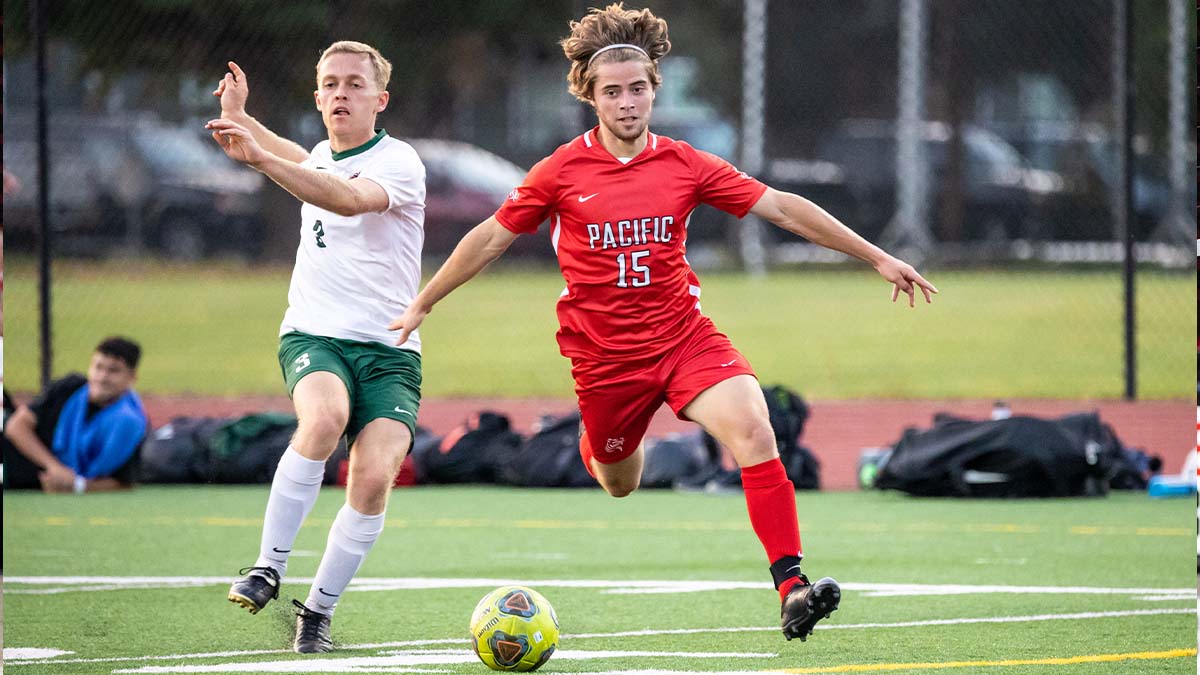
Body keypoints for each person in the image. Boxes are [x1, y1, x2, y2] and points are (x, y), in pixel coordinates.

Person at [390, 3, 938, 642]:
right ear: (590, 96)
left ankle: (790, 586)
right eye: (613, 92)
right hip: (605, 362)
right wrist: (426, 299)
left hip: (684, 339)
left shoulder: (685, 163)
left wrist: (876, 255)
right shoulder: (560, 171)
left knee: (756, 432)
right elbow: (490, 237)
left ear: (656, 90)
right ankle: (599, 446)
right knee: (619, 481)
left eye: (639, 89)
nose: (627, 103)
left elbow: (782, 208)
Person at [206, 41, 426, 654]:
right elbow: (304, 159)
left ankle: (318, 611)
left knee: (376, 475)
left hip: (390, 354)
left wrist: (258, 158)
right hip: (315, 335)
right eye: (329, 83)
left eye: (355, 84)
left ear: (380, 100)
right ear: (317, 95)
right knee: (324, 418)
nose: (340, 93)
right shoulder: (323, 154)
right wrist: (243, 118)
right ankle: (267, 567)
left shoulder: (400, 162)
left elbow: (344, 198)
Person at [3, 337, 146, 493]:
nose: (102, 377)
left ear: (132, 377)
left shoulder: (131, 423)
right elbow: (15, 426)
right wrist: (54, 467)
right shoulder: (68, 388)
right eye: (98, 367)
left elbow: (124, 482)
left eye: (113, 371)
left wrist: (76, 485)